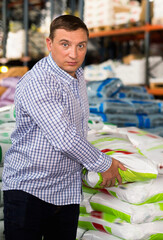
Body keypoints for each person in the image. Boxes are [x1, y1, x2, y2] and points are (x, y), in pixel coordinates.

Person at [2, 15, 126, 239]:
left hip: (65, 191)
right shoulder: (39, 82)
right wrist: (103, 164)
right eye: (65, 44)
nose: (74, 54)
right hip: (30, 190)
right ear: (50, 44)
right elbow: (64, 137)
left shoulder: (76, 75)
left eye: (81, 46)